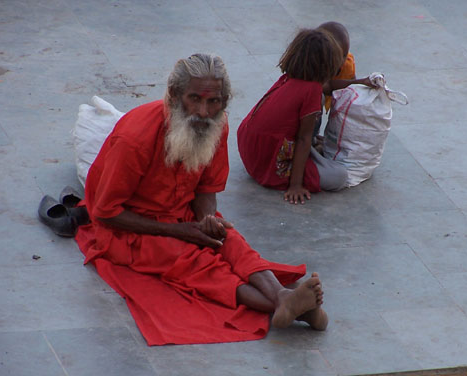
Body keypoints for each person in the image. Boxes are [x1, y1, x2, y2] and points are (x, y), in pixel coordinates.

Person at [75, 53, 328, 346]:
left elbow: (206, 191)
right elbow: (105, 213)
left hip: (182, 214)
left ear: (225, 101)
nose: (204, 112)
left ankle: (285, 298)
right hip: (128, 228)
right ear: (174, 95)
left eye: (214, 102)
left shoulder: (216, 127)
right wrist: (180, 232)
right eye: (194, 99)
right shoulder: (136, 137)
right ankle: (291, 307)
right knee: (195, 261)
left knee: (230, 241)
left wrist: (207, 220)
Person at [237, 27, 376, 205]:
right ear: (329, 65)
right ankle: (306, 163)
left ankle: (313, 152)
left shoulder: (292, 78)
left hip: (250, 148)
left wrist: (359, 82)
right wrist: (295, 185)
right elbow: (303, 139)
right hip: (268, 162)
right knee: (338, 176)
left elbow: (330, 85)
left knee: (316, 142)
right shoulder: (312, 92)